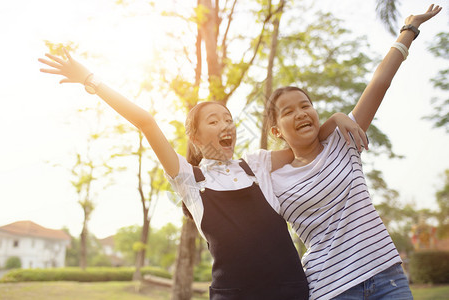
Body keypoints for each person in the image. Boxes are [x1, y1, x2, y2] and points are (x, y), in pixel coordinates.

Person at [38, 39, 368, 298]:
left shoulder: (258, 165)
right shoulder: (189, 180)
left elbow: (304, 144)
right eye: (214, 120)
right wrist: (90, 79)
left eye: (229, 119)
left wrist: (338, 120)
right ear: (195, 137)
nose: (226, 125)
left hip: (291, 292)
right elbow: (146, 122)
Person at [266, 4, 442, 300]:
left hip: (388, 278)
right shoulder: (272, 178)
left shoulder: (342, 140)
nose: (300, 113)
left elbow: (380, 83)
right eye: (288, 111)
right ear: (276, 131)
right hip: (331, 289)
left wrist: (409, 29)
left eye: (305, 105)